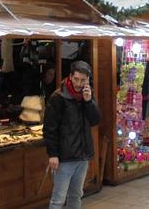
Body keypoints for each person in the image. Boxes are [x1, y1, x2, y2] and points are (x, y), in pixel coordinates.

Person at [43, 61, 101, 209]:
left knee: (76, 195)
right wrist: (53, 154)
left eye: (83, 80)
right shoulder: (58, 97)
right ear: (70, 76)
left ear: (88, 80)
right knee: (58, 199)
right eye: (76, 79)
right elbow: (50, 128)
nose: (79, 83)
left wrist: (89, 102)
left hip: (82, 156)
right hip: (64, 158)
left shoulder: (87, 94)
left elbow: (95, 120)